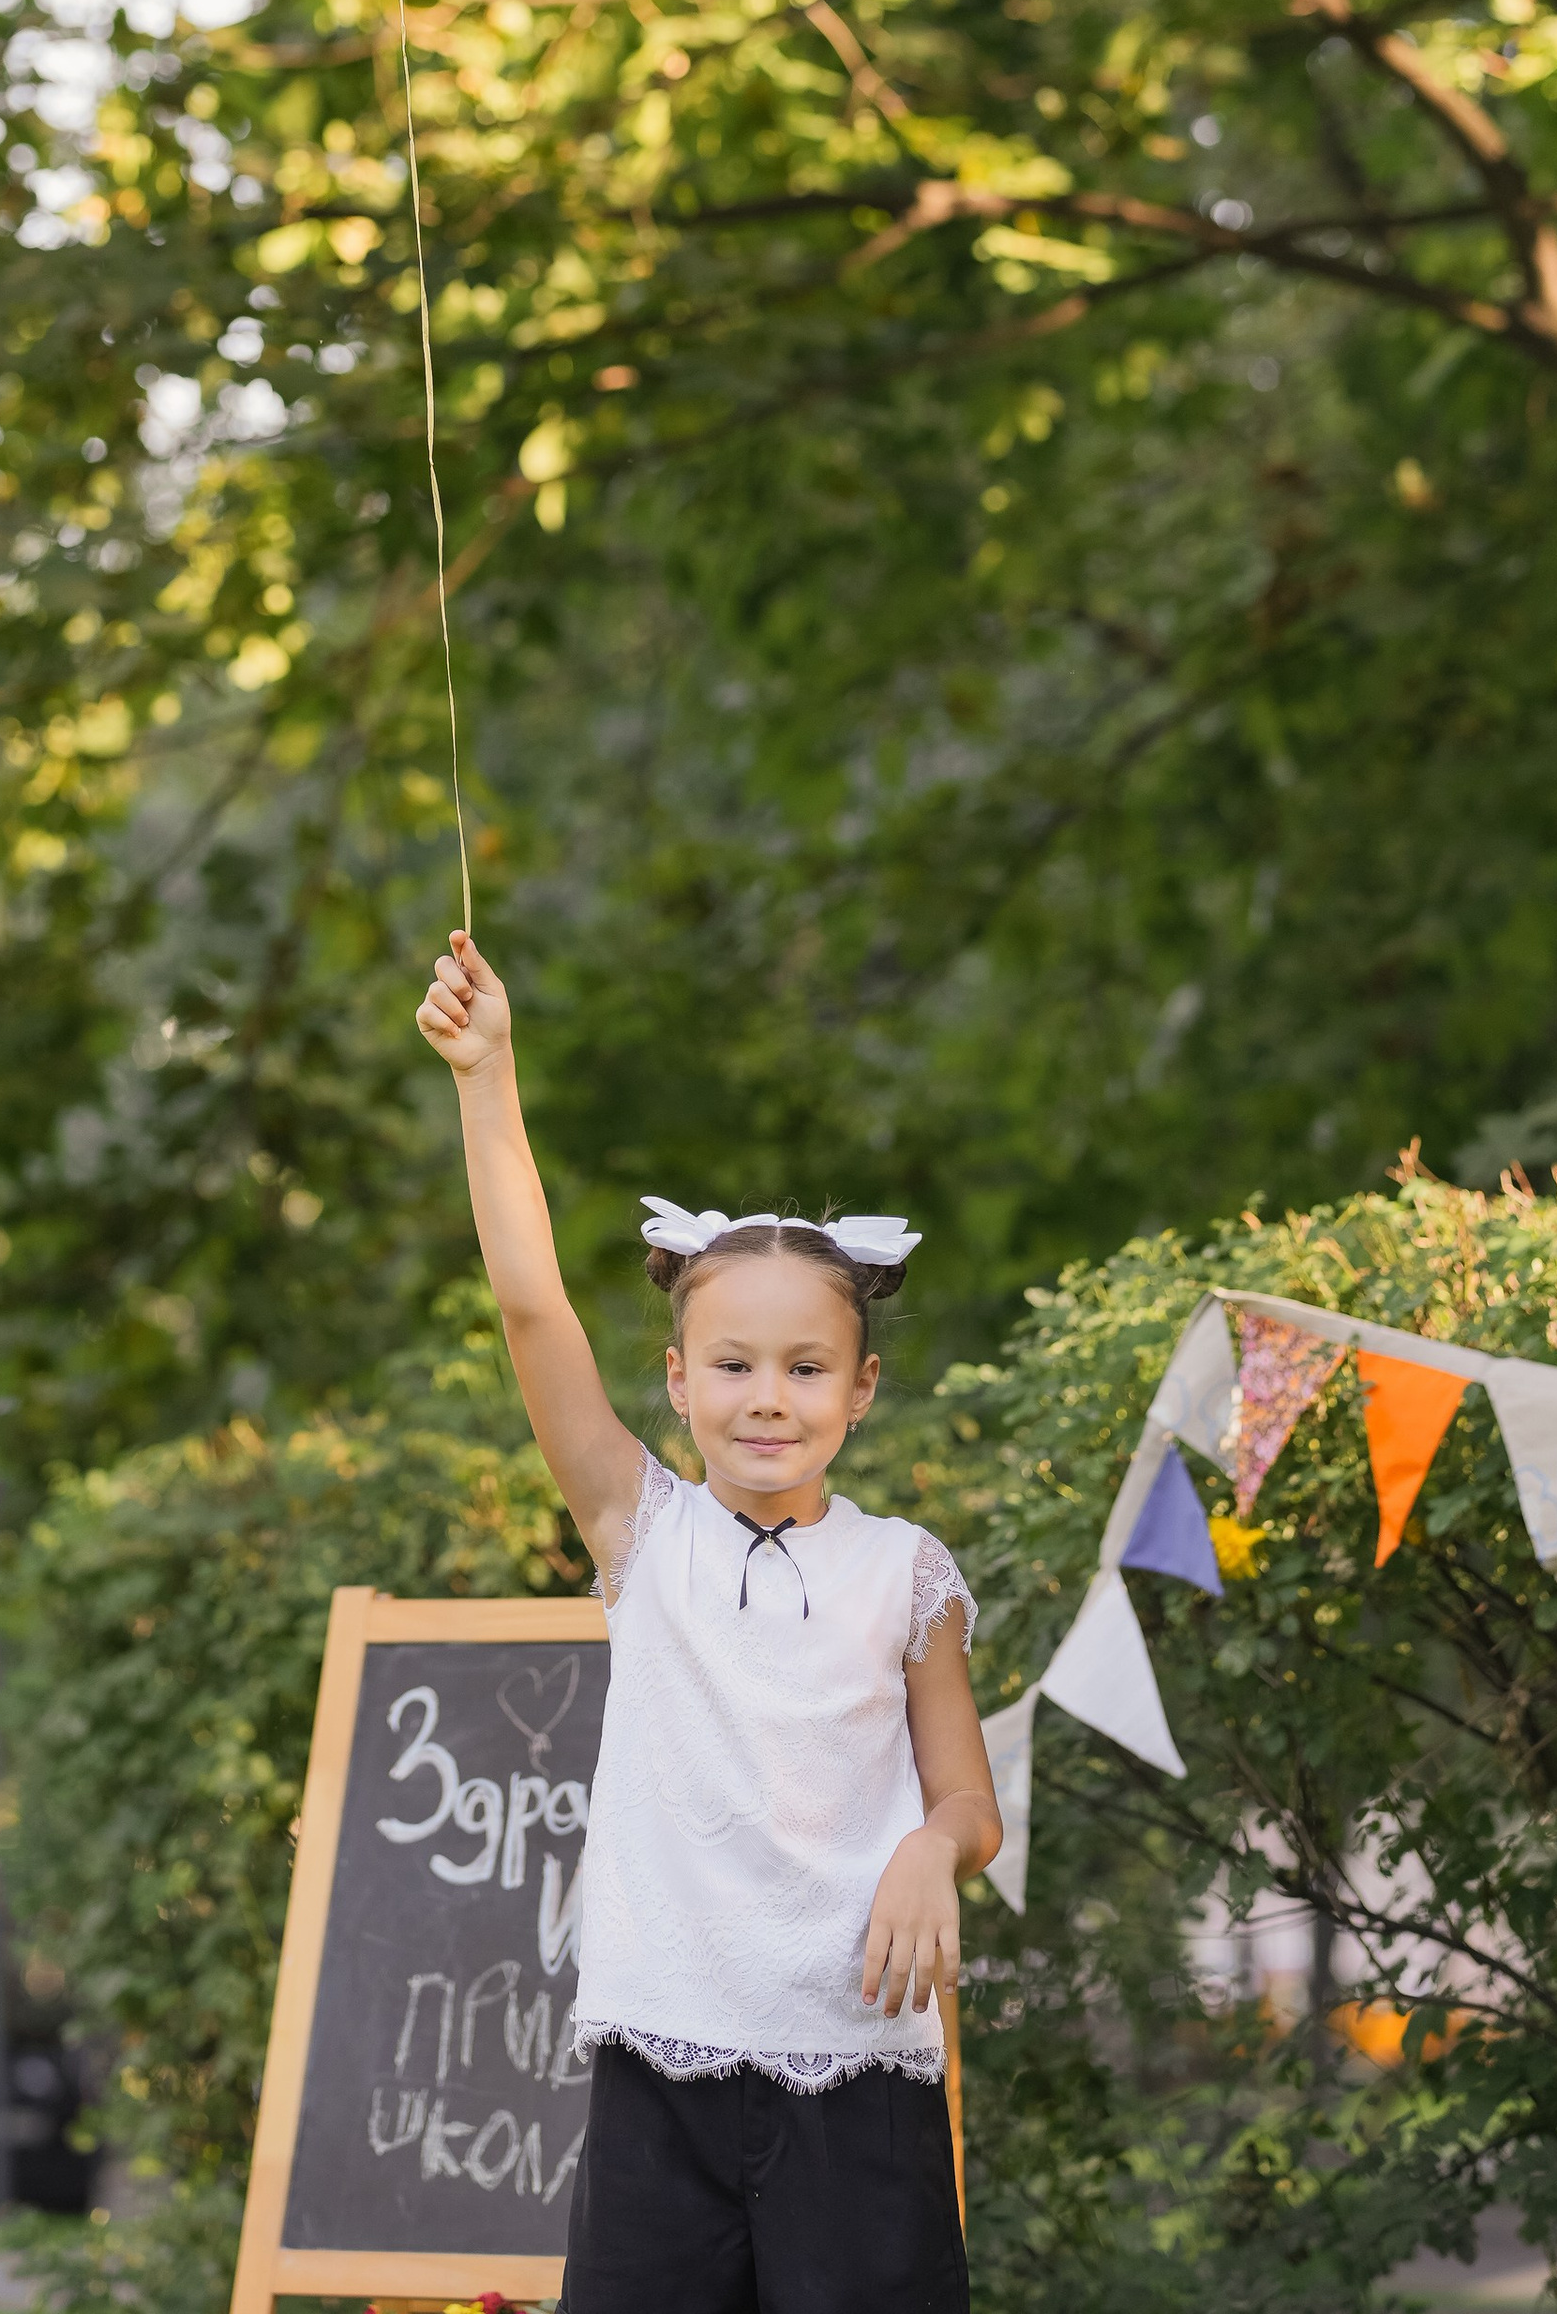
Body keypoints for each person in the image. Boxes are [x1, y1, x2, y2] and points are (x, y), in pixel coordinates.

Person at [415, 926, 1002, 2314]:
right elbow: (528, 1305)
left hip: (859, 2075)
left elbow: (968, 1798)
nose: (767, 1398)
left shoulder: (905, 1572)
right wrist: (487, 1074)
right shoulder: (645, 1533)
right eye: (733, 1365)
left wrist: (935, 1846)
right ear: (678, 1382)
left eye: (806, 1368)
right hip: (660, 2076)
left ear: (859, 1391)